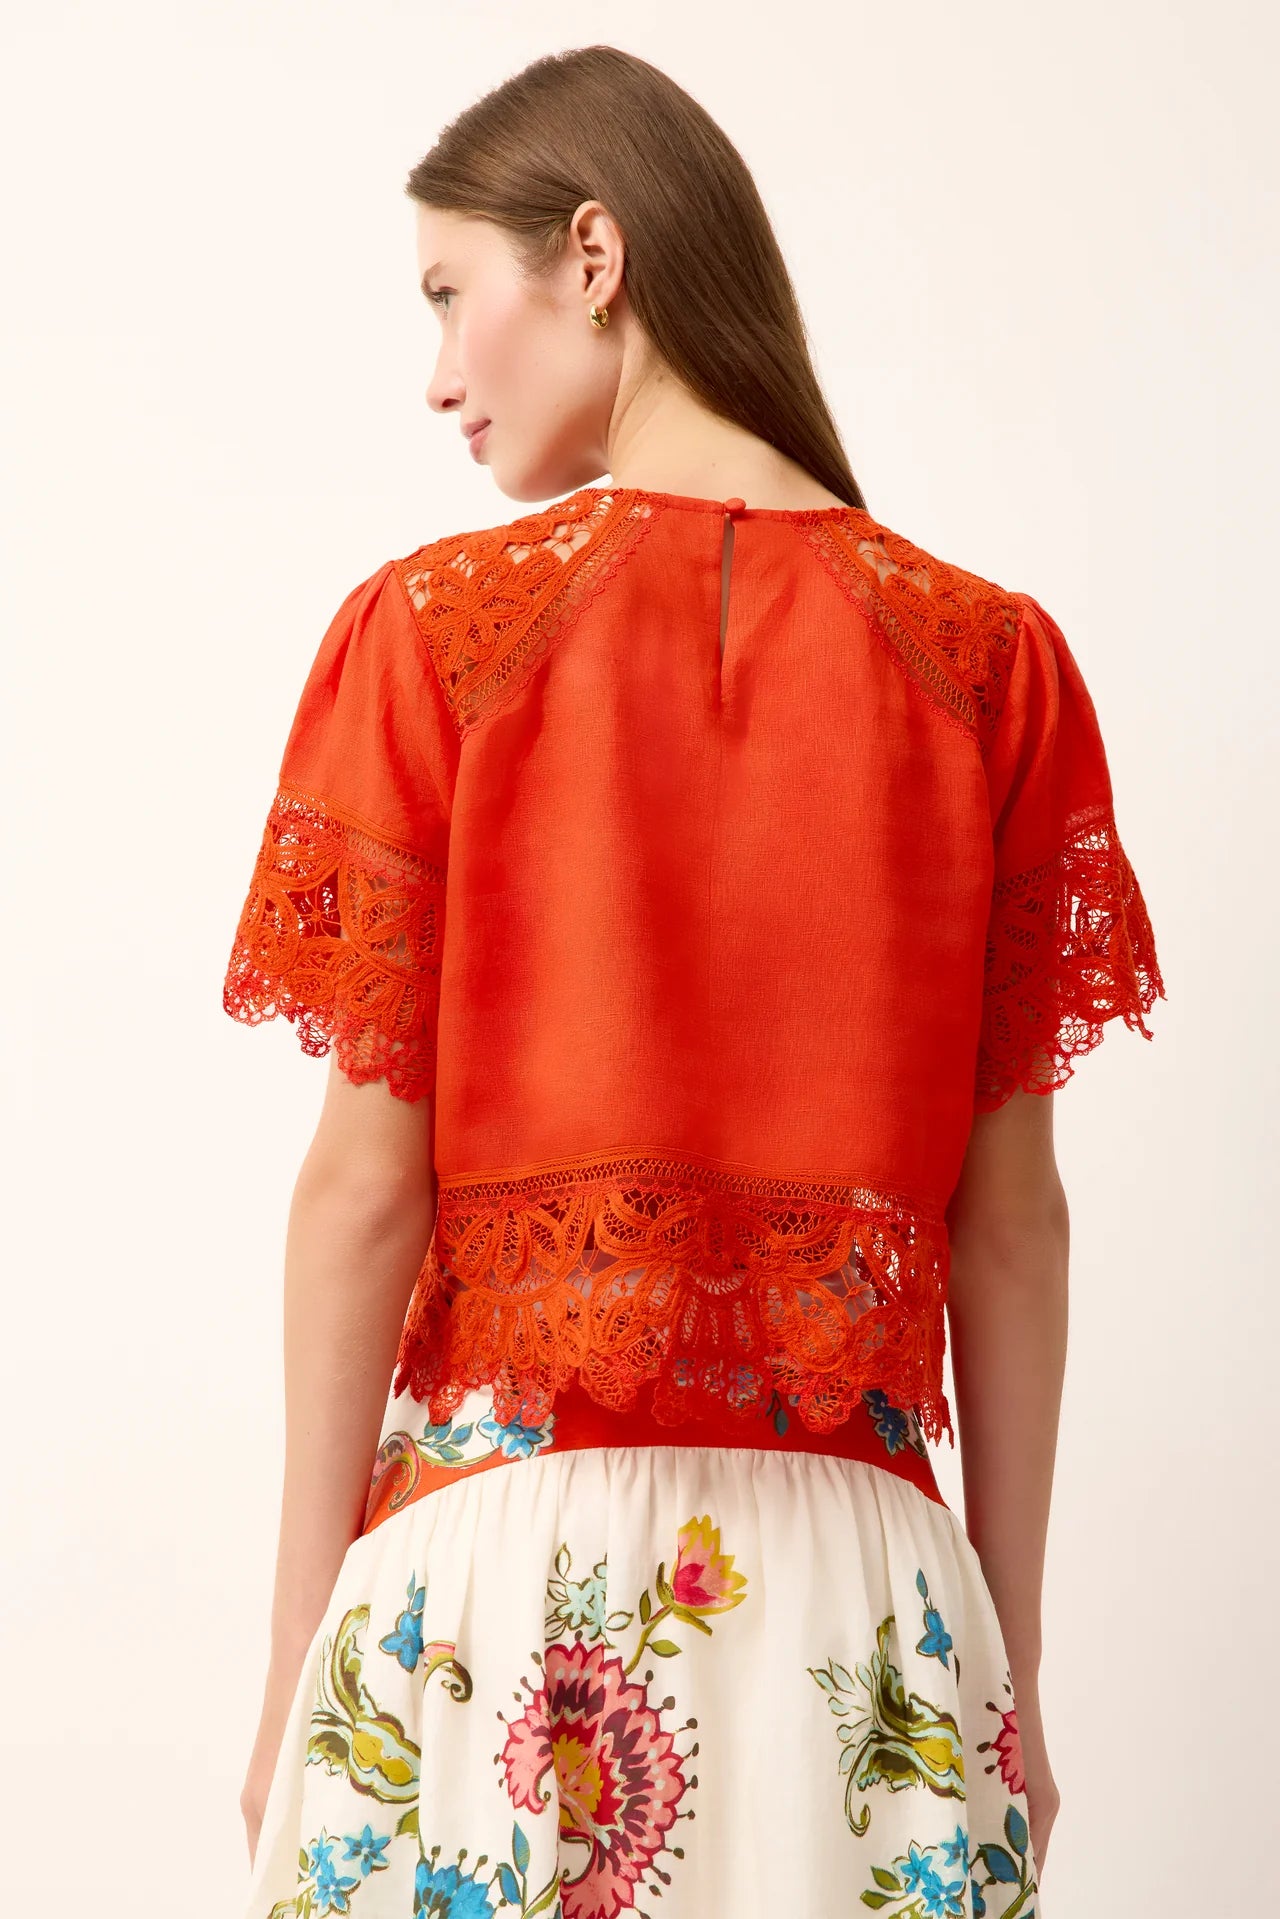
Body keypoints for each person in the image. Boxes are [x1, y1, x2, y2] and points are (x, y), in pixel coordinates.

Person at [224, 45, 1165, 1919]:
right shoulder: (994, 673)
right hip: (871, 1614)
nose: (433, 374)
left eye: (444, 294)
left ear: (594, 255)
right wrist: (1015, 1673)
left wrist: (292, 1660)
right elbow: (1014, 1229)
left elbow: (361, 1196)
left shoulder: (432, 640)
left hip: (499, 1598)